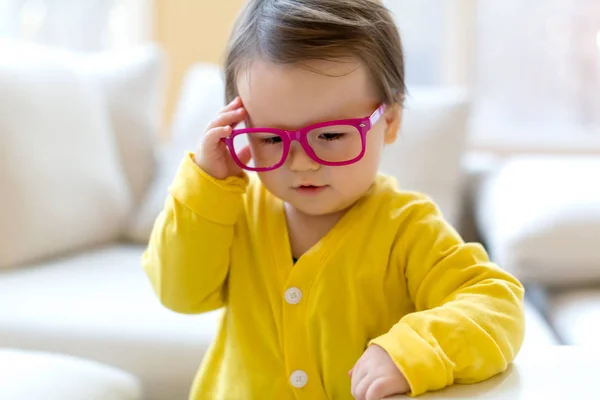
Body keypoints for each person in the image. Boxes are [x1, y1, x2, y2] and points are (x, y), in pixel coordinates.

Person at [142, 0, 525, 399]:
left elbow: (496, 304)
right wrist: (206, 186)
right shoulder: (229, 208)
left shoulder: (408, 228)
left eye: (330, 135)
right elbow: (179, 293)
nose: (302, 162)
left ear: (389, 121)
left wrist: (414, 351)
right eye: (271, 139)